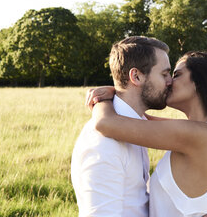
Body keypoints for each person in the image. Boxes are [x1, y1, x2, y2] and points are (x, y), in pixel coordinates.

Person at [87, 51, 207, 217]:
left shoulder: (199, 135)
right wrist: (117, 92)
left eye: (176, 75)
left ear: (200, 82)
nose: (168, 82)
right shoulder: (203, 133)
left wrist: (101, 100)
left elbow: (106, 123)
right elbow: (139, 120)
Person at [71, 36, 173, 217]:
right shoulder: (104, 144)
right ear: (136, 76)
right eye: (164, 74)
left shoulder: (135, 126)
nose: (170, 81)